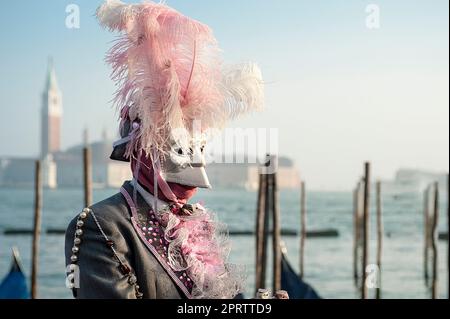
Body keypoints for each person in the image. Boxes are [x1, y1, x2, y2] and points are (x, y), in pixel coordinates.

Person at [65, 0, 264, 299]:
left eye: (199, 147)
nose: (194, 168)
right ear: (142, 149)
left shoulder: (197, 224)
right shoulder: (102, 226)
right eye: (178, 148)